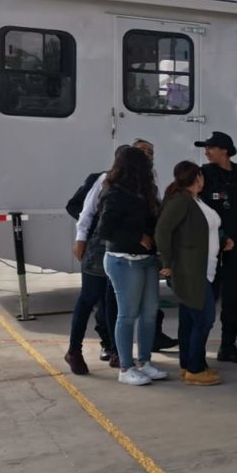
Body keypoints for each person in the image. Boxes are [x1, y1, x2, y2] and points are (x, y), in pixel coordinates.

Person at [75, 139, 177, 353]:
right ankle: (82, 349)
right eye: (142, 152)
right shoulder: (109, 183)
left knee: (119, 303)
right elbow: (90, 215)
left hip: (134, 253)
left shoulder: (148, 185)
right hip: (103, 250)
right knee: (93, 299)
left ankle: (121, 348)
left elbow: (153, 216)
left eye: (150, 152)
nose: (147, 156)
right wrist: (80, 239)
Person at [96, 147, 166, 386]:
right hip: (123, 260)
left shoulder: (145, 192)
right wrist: (137, 236)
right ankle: (125, 367)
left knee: (149, 313)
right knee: (127, 315)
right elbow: (104, 230)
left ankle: (145, 362)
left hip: (147, 260)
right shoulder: (114, 193)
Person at [155, 161, 226, 386]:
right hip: (191, 270)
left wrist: (223, 241)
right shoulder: (181, 201)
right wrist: (166, 261)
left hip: (204, 268)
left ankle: (190, 364)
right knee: (204, 319)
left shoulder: (194, 200)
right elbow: (162, 230)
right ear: (198, 178)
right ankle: (195, 368)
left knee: (189, 319)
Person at [64, 147, 126, 375]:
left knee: (114, 301)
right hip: (98, 249)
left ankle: (116, 349)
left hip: (121, 249)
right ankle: (74, 351)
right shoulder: (103, 180)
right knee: (89, 297)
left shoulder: (142, 184)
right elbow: (86, 212)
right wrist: (81, 240)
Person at [194, 132, 237, 364]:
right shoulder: (204, 174)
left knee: (233, 297)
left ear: (224, 150)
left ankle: (228, 346)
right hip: (212, 245)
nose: (207, 152)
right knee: (207, 297)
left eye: (211, 148)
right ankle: (197, 350)